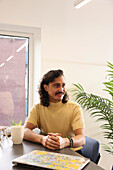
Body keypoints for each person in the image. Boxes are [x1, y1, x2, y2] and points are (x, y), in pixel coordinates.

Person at [24, 69, 85, 150]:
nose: (61, 90)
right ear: (46, 88)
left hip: (71, 153)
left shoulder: (75, 108)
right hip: (48, 150)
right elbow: (25, 131)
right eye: (56, 85)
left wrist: (65, 141)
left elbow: (82, 139)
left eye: (63, 85)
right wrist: (43, 139)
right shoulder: (37, 108)